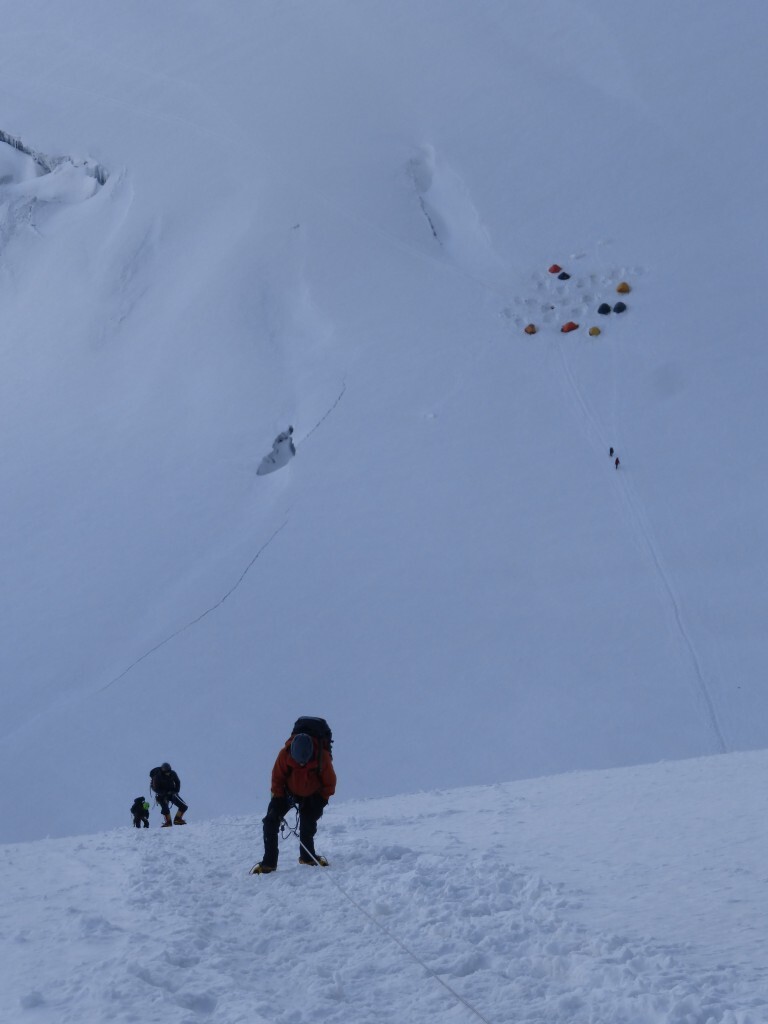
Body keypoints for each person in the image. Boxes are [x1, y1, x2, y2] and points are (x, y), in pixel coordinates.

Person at [251, 731, 336, 874]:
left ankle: (308, 857)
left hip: (313, 795)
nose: (302, 764)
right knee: (270, 822)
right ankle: (269, 863)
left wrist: (320, 801)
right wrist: (278, 799)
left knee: (307, 823)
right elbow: (277, 779)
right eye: (299, 762)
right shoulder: (284, 755)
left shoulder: (323, 757)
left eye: (305, 761)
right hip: (287, 793)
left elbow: (330, 783)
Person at [149, 762, 188, 827]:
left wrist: (176, 791)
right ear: (163, 771)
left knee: (183, 806)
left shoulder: (173, 773)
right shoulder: (157, 776)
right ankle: (168, 822)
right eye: (166, 772)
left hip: (172, 793)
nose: (168, 773)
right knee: (165, 809)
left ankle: (177, 820)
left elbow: (177, 782)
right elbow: (155, 788)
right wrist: (164, 793)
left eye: (169, 771)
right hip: (162, 794)